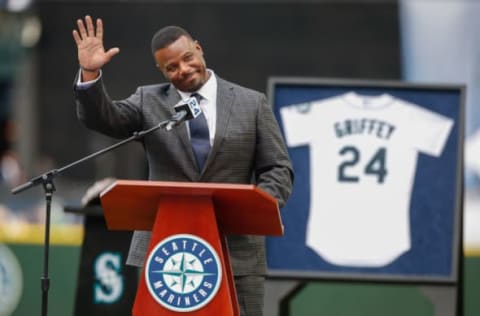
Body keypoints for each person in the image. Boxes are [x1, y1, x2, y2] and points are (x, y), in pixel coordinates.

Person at [72, 15, 293, 315]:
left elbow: (278, 168)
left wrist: (254, 208)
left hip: (236, 252)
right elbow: (103, 118)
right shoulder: (149, 101)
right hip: (167, 255)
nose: (183, 70)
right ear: (161, 70)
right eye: (171, 68)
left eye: (187, 58)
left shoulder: (251, 103)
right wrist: (90, 72)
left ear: (199, 49)